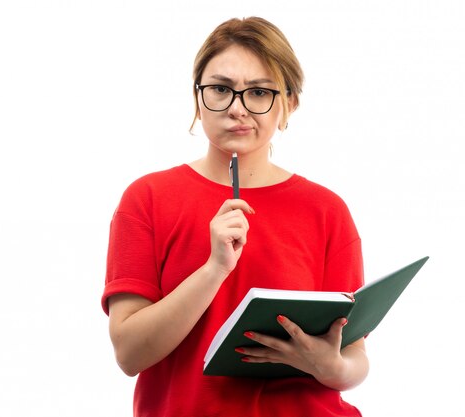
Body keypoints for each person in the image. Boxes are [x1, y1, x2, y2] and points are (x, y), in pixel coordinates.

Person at [101, 16, 369, 417]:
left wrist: (331, 366)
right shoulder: (148, 199)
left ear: (288, 103)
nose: (238, 109)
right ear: (198, 99)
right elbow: (129, 353)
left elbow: (355, 359)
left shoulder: (326, 210)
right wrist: (213, 270)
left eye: (259, 92)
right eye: (221, 90)